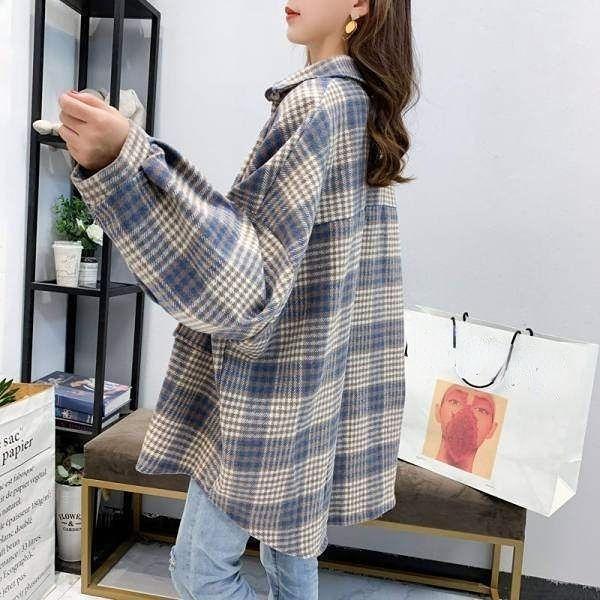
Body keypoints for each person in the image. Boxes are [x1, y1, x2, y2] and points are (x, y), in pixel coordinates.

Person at [59, 1, 418, 598]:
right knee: (292, 551)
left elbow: (249, 286)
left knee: (199, 573)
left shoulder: (318, 105)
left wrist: (127, 160)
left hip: (270, 390)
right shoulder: (362, 105)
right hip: (320, 385)